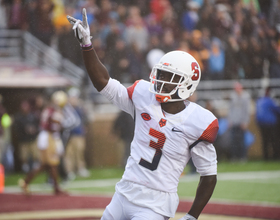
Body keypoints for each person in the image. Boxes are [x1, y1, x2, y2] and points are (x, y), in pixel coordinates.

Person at [67, 9, 219, 220]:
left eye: (169, 77)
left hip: (155, 205)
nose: (160, 81)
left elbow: (209, 176)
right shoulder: (143, 95)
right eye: (161, 74)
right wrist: (87, 44)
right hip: (124, 192)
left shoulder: (199, 122)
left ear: (186, 85)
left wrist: (191, 216)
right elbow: (103, 82)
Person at [18, 91, 68, 195]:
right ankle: (55, 188)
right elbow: (52, 124)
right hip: (48, 137)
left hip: (45, 136)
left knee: (46, 165)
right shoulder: (54, 111)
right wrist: (59, 123)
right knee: (51, 163)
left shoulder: (48, 109)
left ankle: (27, 182)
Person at [227, 81, 251, 162]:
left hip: (241, 122)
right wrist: (229, 120)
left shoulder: (245, 97)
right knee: (234, 141)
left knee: (242, 141)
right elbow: (230, 109)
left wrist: (245, 122)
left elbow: (246, 110)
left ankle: (242, 157)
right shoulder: (233, 96)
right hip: (234, 121)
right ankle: (234, 157)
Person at [256, 87, 280, 160]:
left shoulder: (259, 101)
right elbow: (277, 110)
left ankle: (266, 157)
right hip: (270, 124)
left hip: (262, 124)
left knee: (265, 141)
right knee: (273, 140)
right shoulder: (269, 101)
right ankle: (275, 156)